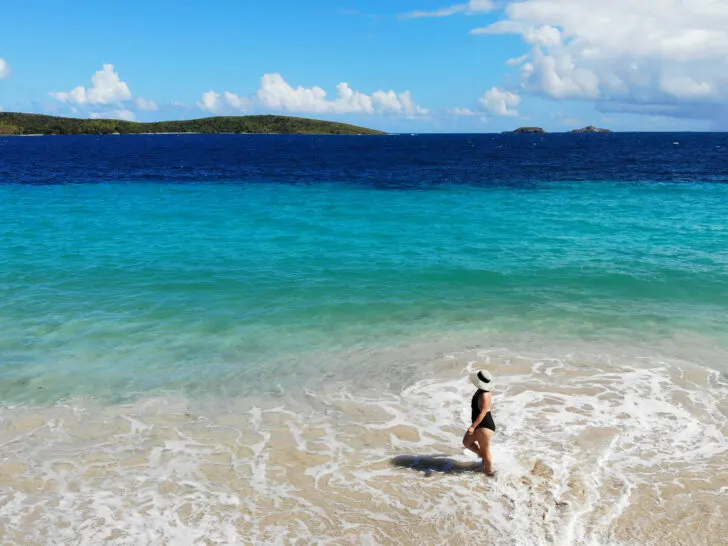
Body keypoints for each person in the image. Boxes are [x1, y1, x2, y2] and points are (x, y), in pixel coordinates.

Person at [462, 369, 496, 476]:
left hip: (485, 426)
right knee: (466, 442)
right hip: (481, 425)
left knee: (485, 451)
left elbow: (483, 412)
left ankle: (489, 473)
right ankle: (484, 461)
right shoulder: (480, 391)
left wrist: (472, 426)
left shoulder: (485, 394)